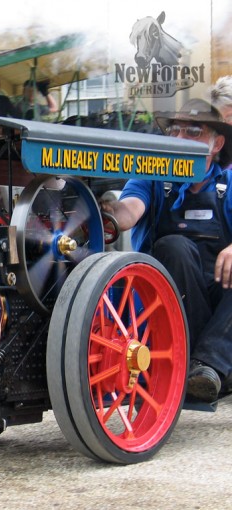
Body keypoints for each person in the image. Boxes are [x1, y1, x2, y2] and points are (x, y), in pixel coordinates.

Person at [102, 98, 232, 403]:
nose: (180, 139)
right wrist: (108, 212)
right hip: (167, 305)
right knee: (174, 246)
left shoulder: (227, 184)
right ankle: (210, 366)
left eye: (193, 131)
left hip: (219, 307)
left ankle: (208, 365)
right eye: (174, 130)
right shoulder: (151, 177)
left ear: (217, 144)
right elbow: (129, 212)